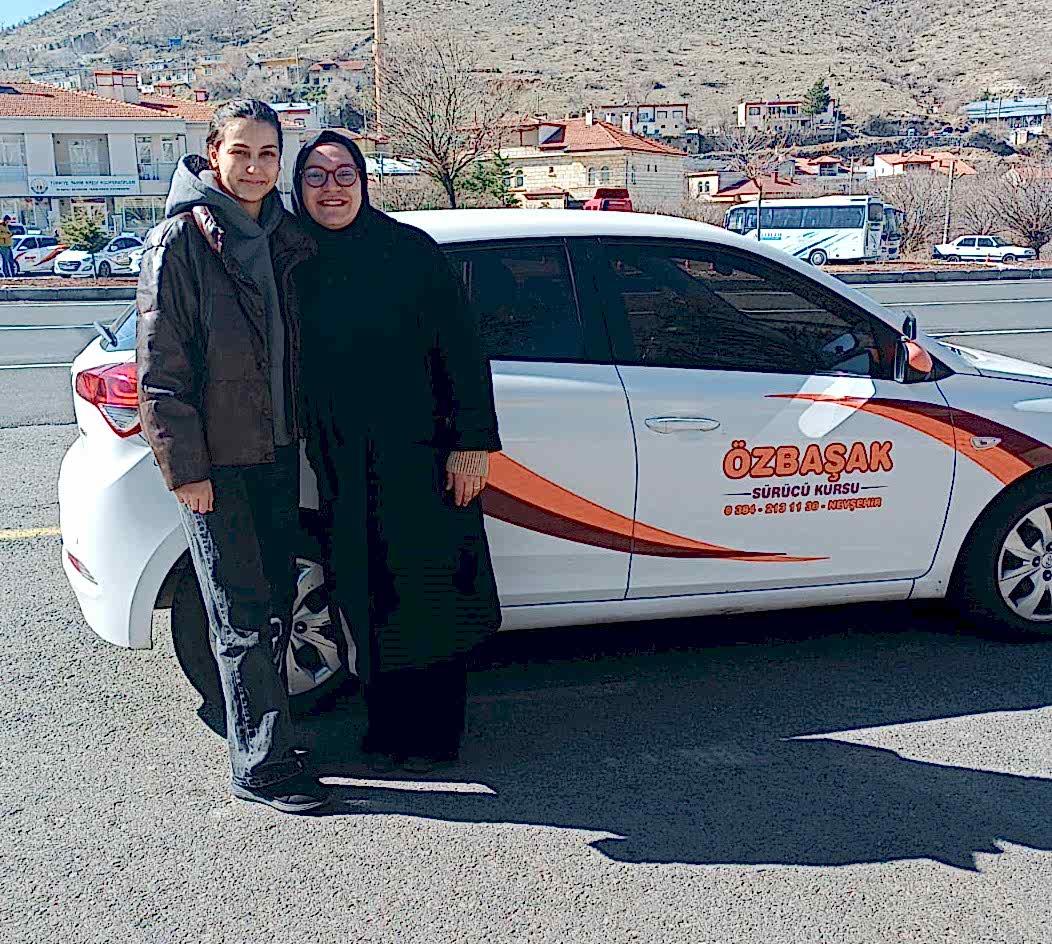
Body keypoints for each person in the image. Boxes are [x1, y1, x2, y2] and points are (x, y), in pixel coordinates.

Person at [135, 100, 328, 813]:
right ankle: (259, 766)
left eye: (267, 154)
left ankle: (273, 739)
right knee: (239, 615)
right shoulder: (180, 241)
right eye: (241, 152)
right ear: (214, 154)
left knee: (273, 603)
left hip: (275, 452)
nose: (254, 167)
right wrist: (187, 472)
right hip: (217, 465)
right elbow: (160, 372)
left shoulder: (282, 235)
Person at [292, 130, 502, 772]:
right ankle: (387, 725)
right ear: (298, 188)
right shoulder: (293, 261)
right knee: (365, 595)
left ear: (364, 182)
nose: (332, 188)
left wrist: (471, 445)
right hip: (341, 463)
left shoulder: (410, 253)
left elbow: (462, 351)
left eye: (344, 174)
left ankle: (434, 734)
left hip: (422, 458)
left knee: (430, 594)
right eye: (316, 176)